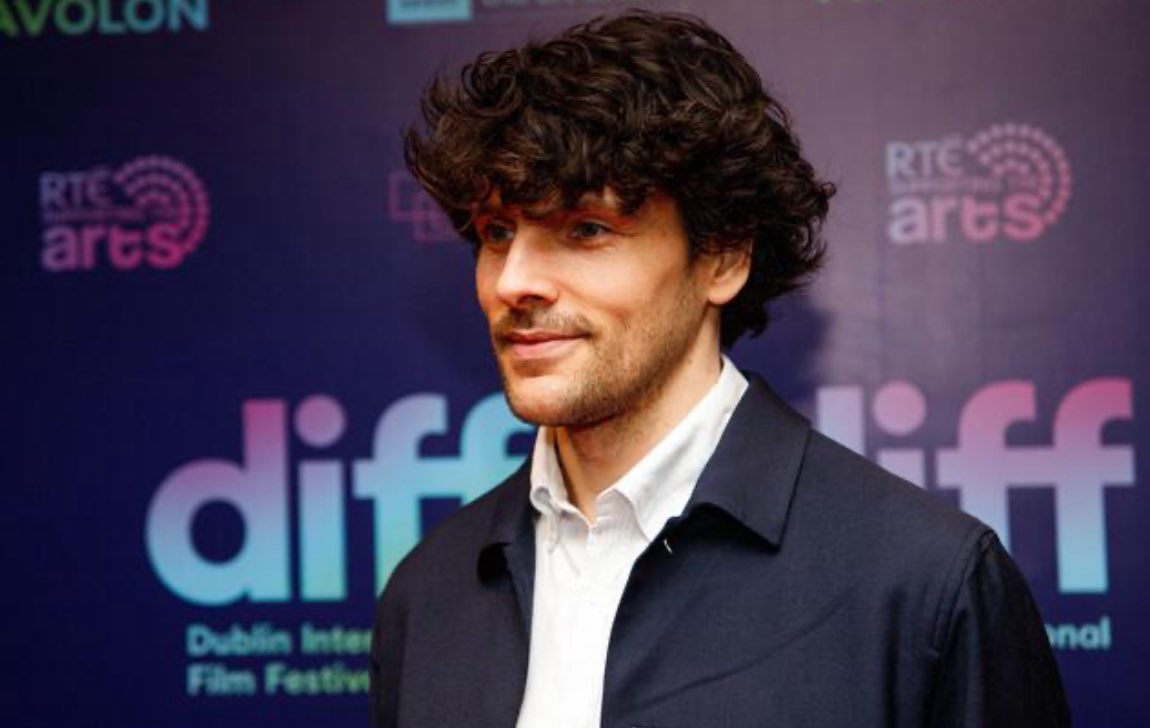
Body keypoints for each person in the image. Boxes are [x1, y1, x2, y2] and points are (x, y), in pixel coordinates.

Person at [369, 10, 1069, 728]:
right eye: (497, 233)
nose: (514, 281)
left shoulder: (925, 584)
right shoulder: (427, 594)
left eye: (585, 230)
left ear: (724, 258)